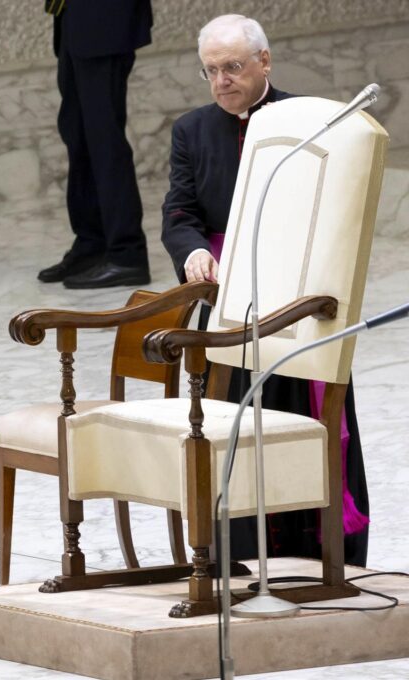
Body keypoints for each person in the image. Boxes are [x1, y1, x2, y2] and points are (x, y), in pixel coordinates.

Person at [161, 14, 369, 565]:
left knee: (302, 420)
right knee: (235, 423)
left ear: (265, 62)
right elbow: (179, 213)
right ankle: (241, 552)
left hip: (299, 294)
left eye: (233, 66)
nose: (222, 80)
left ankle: (318, 551)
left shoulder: (315, 120)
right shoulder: (192, 130)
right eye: (211, 70)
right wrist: (194, 251)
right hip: (230, 303)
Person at [38, 0, 153, 289]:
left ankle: (127, 254)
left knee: (105, 142)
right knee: (79, 138)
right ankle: (93, 243)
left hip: (104, 18)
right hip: (74, 18)